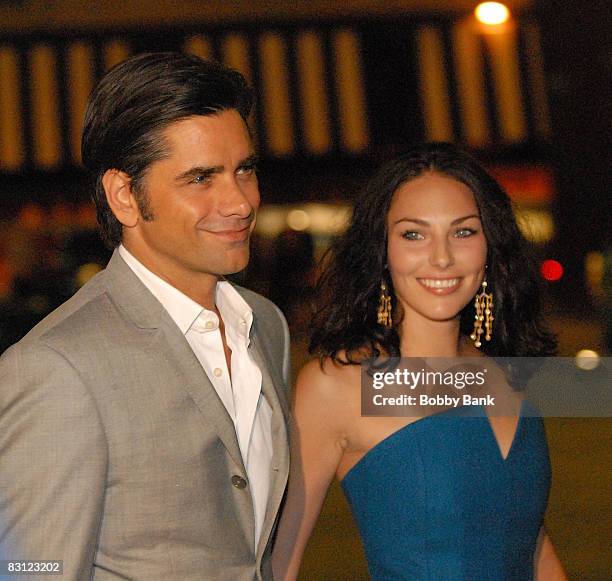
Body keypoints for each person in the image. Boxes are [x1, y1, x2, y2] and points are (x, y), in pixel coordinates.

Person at [0, 52, 290, 580]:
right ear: (124, 197)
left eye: (244, 169)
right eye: (201, 178)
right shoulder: (57, 367)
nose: (241, 202)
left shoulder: (266, 325)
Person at [272, 143, 567, 580]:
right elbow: (280, 563)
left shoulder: (502, 370)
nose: (442, 257)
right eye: (414, 234)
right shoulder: (337, 385)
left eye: (463, 231)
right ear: (381, 250)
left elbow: (529, 541)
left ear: (490, 246)